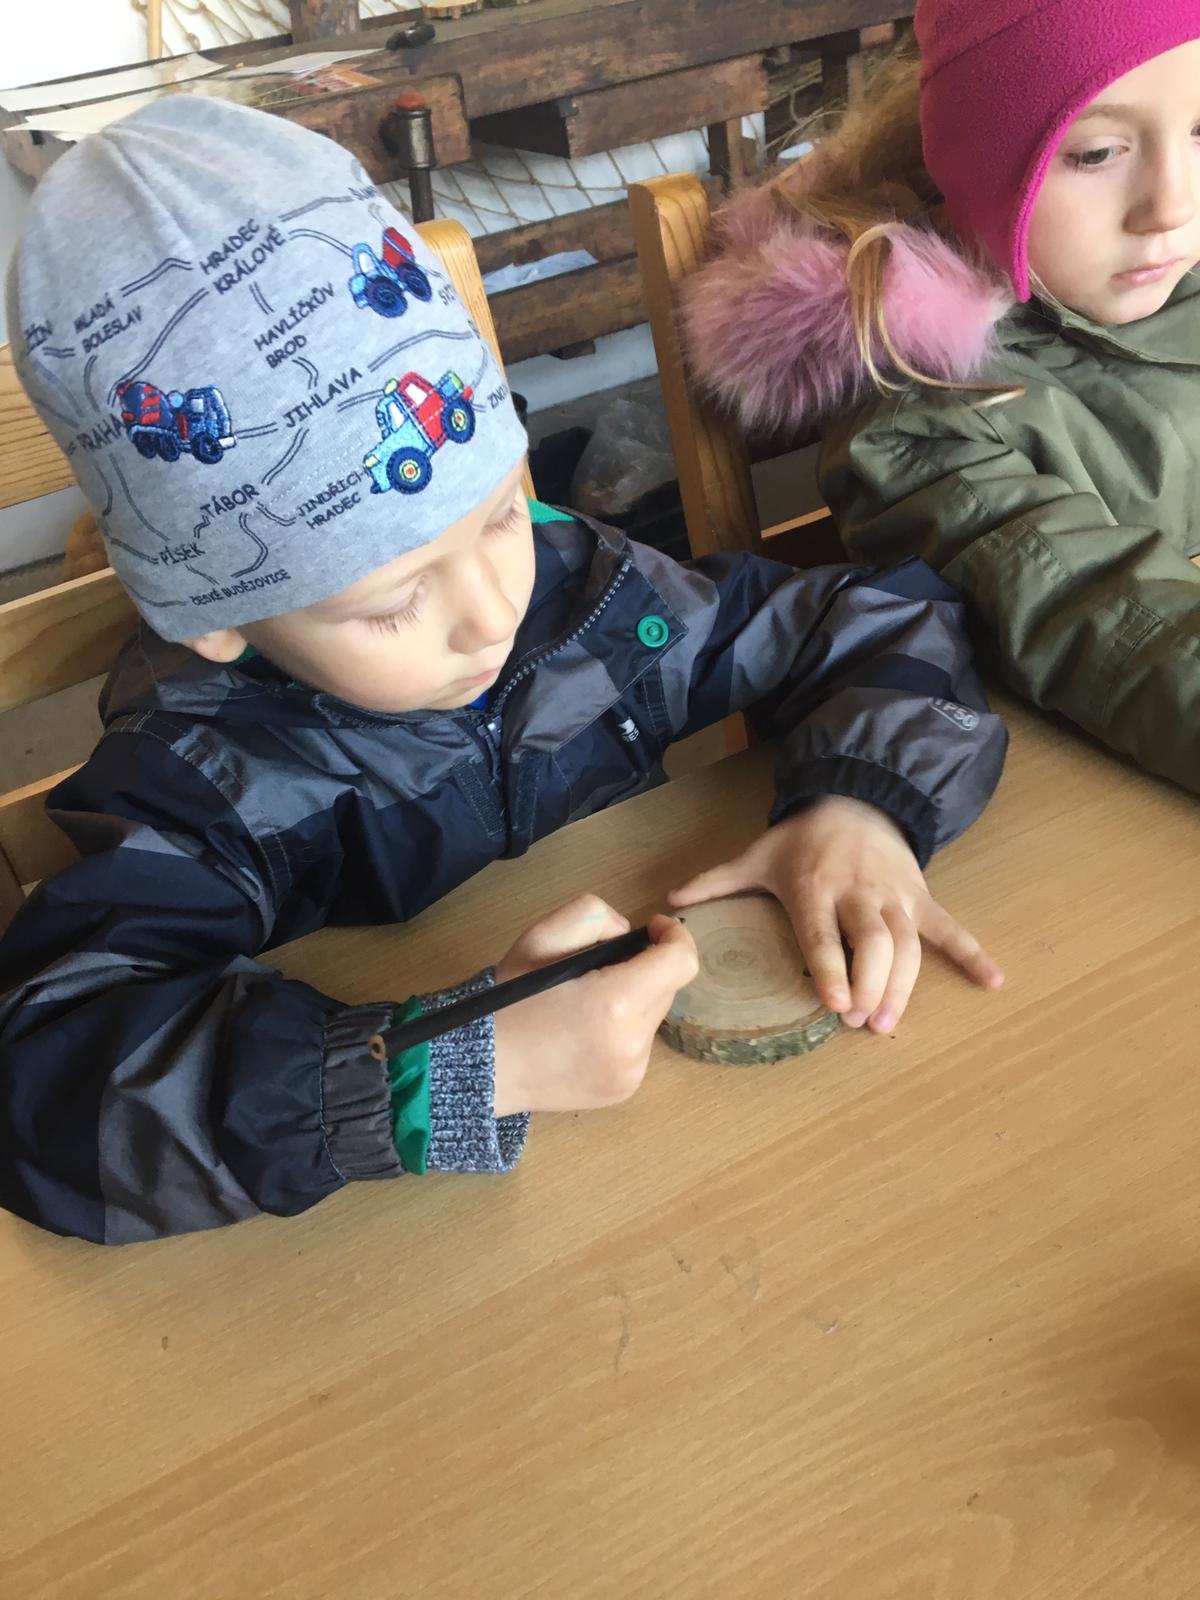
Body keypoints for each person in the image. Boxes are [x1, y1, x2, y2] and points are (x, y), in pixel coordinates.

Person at [0, 94, 1005, 1247]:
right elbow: (47, 1084)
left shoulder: (589, 598)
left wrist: (860, 806)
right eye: (394, 602)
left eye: (496, 517)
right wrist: (442, 1070)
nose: (493, 613)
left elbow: (878, 624)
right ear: (215, 618)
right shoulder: (204, 776)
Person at [684, 0, 1200, 794]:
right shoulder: (924, 421)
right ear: (980, 165)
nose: (1172, 204)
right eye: (1096, 152)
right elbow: (1092, 611)